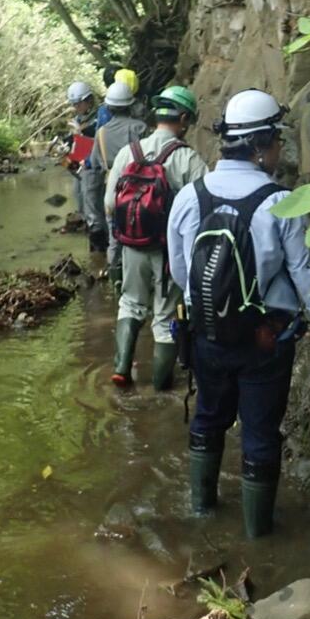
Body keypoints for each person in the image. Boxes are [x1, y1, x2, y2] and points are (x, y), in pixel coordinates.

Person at [167, 89, 310, 538]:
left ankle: (201, 510)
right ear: (259, 145)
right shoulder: (279, 202)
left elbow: (179, 269)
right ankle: (257, 537)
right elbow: (306, 269)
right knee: (261, 430)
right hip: (265, 340)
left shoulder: (191, 197)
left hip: (206, 334)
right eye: (277, 142)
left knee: (208, 416)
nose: (280, 151)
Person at [104, 86, 208, 389]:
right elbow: (204, 211)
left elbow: (110, 205)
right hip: (169, 252)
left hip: (131, 246)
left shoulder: (129, 152)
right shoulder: (188, 159)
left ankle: (121, 368)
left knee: (130, 303)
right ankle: (161, 387)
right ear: (184, 118)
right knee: (165, 316)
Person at [91, 80, 146, 282]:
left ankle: (115, 281)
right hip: (140, 191)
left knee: (114, 239)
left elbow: (96, 164)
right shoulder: (140, 128)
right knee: (140, 236)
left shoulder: (101, 133)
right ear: (130, 105)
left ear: (109, 107)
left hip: (112, 191)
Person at [64, 81, 105, 252]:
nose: (76, 107)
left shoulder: (100, 117)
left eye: (78, 104)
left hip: (94, 168)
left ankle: (100, 250)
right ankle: (95, 243)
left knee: (93, 208)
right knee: (81, 202)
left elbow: (99, 141)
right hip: (80, 168)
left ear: (88, 100)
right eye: (74, 104)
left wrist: (80, 133)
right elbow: (75, 145)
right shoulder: (78, 119)